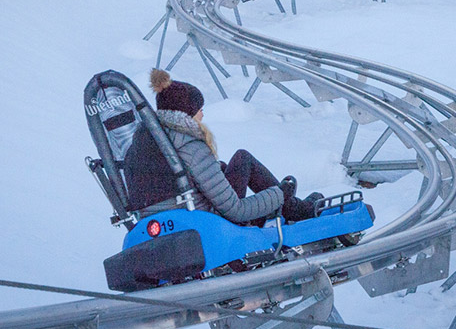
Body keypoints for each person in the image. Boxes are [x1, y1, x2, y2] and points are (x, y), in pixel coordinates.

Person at [122, 69, 323, 225]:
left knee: (226, 167)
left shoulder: (143, 144)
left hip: (165, 219)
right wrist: (281, 194)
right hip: (206, 220)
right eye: (199, 110)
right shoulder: (188, 144)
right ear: (185, 114)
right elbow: (235, 210)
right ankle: (293, 209)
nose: (202, 115)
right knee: (243, 159)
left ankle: (285, 208)